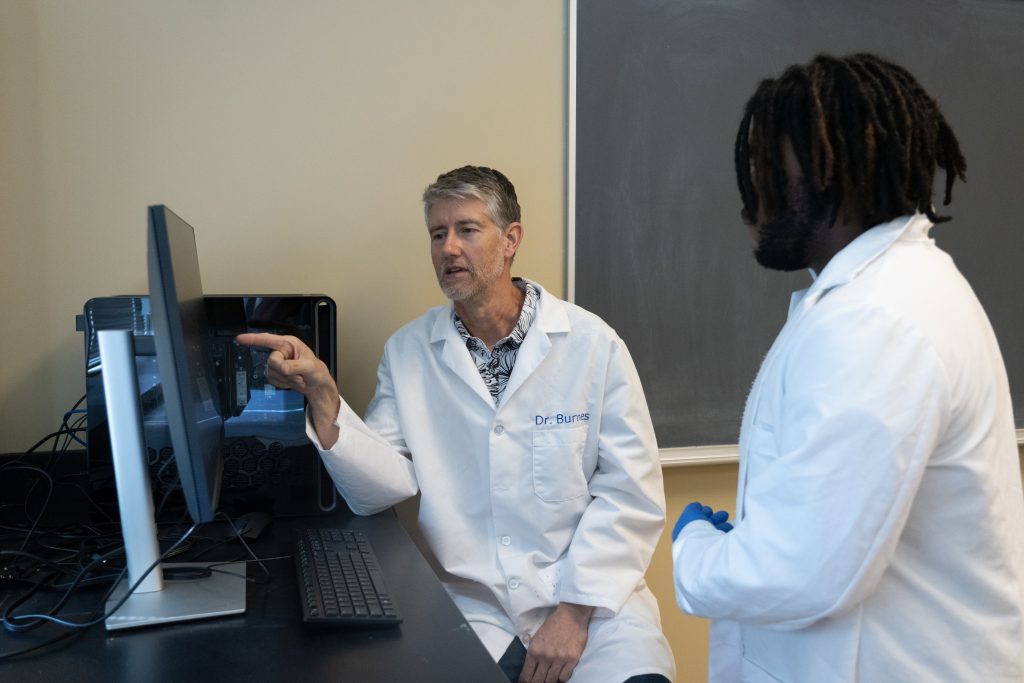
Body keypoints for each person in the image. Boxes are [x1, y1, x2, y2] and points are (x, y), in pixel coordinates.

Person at [238, 165, 675, 683]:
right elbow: (380, 490)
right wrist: (325, 399)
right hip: (475, 609)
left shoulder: (591, 344)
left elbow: (631, 493)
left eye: (467, 230)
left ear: (510, 239)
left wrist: (575, 613)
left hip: (592, 607)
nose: (448, 249)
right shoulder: (408, 352)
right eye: (437, 234)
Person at [671, 52, 1024, 682]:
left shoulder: (878, 320)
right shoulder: (880, 296)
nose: (751, 190)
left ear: (840, 171)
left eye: (766, 165)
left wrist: (692, 550)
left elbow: (799, 568)